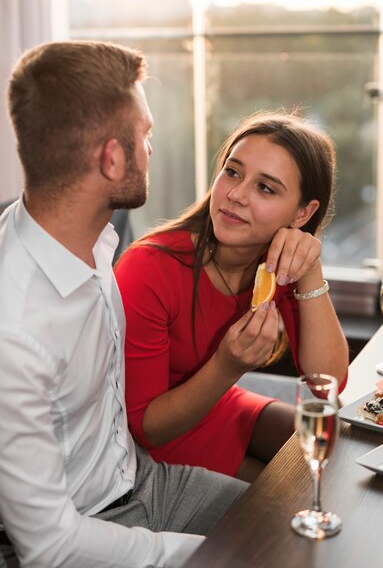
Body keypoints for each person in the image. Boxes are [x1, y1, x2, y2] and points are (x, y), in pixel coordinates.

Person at [0, 40, 248, 568]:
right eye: (146, 134)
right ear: (112, 158)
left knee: (298, 523)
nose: (152, 148)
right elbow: (51, 547)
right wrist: (206, 555)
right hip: (78, 534)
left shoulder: (91, 240)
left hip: (141, 481)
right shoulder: (14, 332)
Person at [115, 110, 350, 482]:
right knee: (285, 498)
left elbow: (327, 382)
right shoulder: (147, 268)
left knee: (338, 448)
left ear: (303, 213)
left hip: (220, 407)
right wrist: (228, 365)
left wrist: (310, 269)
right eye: (233, 171)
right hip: (159, 439)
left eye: (266, 188)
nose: (236, 195)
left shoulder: (275, 262)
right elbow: (145, 427)